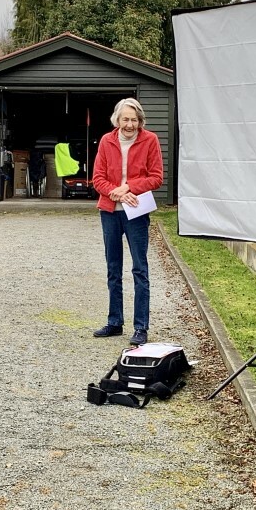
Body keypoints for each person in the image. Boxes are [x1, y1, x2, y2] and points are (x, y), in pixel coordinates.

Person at [91, 98, 164, 346]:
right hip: (110, 210)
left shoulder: (150, 140)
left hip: (136, 212)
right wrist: (116, 192)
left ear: (140, 120)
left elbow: (156, 177)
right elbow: (97, 178)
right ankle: (114, 322)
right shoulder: (106, 141)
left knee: (140, 269)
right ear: (117, 120)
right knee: (113, 268)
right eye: (125, 119)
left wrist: (129, 187)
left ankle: (141, 327)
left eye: (134, 119)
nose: (130, 124)